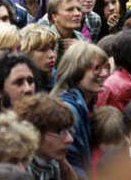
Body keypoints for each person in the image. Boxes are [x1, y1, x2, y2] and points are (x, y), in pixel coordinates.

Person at [52, 40, 112, 179]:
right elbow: (72, 162)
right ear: (76, 72)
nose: (104, 74)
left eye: (106, 67)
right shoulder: (68, 109)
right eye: (97, 68)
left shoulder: (88, 102)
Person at [13, 94, 78, 180]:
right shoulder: (17, 172)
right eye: (58, 131)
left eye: (69, 131)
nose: (69, 139)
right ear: (34, 132)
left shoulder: (53, 164)